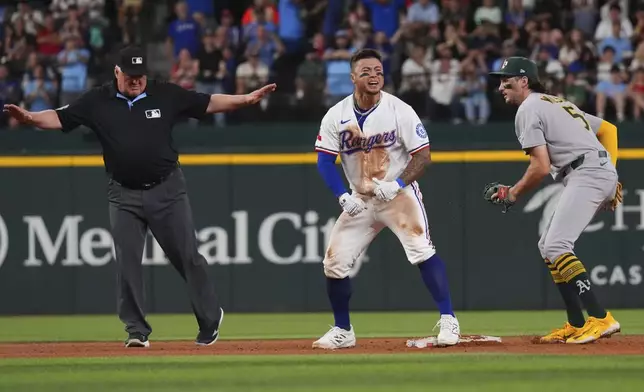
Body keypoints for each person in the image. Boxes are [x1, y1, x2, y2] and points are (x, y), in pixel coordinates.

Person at [3, 46, 276, 348]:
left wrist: (245, 99)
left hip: (167, 189)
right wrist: (29, 117)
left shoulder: (164, 94)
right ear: (117, 72)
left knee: (187, 257)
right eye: (130, 75)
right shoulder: (98, 100)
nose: (136, 81)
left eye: (140, 75)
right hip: (123, 194)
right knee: (128, 263)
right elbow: (59, 117)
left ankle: (210, 318)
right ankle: (136, 330)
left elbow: (209, 102)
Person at [312, 48, 460, 349]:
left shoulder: (399, 110)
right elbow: (324, 161)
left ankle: (449, 319)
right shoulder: (336, 115)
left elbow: (423, 157)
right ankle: (343, 330)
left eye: (378, 71)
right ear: (352, 77)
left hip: (398, 194)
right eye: (366, 71)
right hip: (360, 198)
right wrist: (342, 196)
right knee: (334, 263)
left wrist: (398, 183)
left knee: (420, 248)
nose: (374, 76)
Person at [486, 57, 622, 344]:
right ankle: (576, 322)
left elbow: (540, 166)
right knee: (548, 247)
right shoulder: (555, 102)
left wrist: (513, 193)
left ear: (524, 81)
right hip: (592, 170)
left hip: (586, 172)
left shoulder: (528, 108)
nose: (501, 86)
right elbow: (609, 130)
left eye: (506, 79)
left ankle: (601, 318)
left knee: (556, 245)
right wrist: (611, 173)